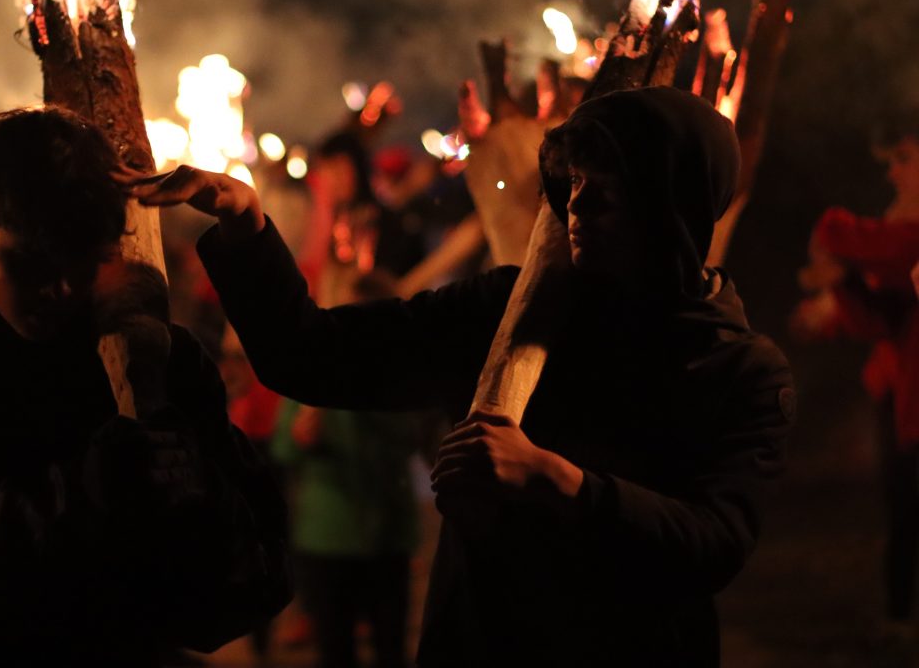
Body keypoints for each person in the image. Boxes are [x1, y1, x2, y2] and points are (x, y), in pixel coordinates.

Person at [131, 86, 796, 666]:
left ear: (670, 208)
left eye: (609, 189)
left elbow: (715, 543)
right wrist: (245, 226)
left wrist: (556, 478)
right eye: (573, 182)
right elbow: (314, 355)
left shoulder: (742, 369)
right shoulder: (507, 310)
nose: (577, 205)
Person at [0, 108, 290, 667]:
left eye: (83, 260)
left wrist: (192, 495)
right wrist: (79, 490)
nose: (60, 288)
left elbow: (250, 583)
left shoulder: (162, 362)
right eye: (30, 263)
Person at [793, 117, 919, 629]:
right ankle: (899, 623)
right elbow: (882, 320)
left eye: (904, 159)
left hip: (912, 399)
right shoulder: (901, 223)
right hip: (899, 395)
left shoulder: (907, 233)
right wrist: (841, 286)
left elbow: (869, 242)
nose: (892, 173)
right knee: (903, 512)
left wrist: (831, 237)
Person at [271, 271, 420, 668]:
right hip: (327, 534)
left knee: (391, 647)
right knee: (335, 649)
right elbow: (283, 448)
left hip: (387, 533)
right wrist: (299, 437)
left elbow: (411, 437)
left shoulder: (402, 376)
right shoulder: (314, 372)